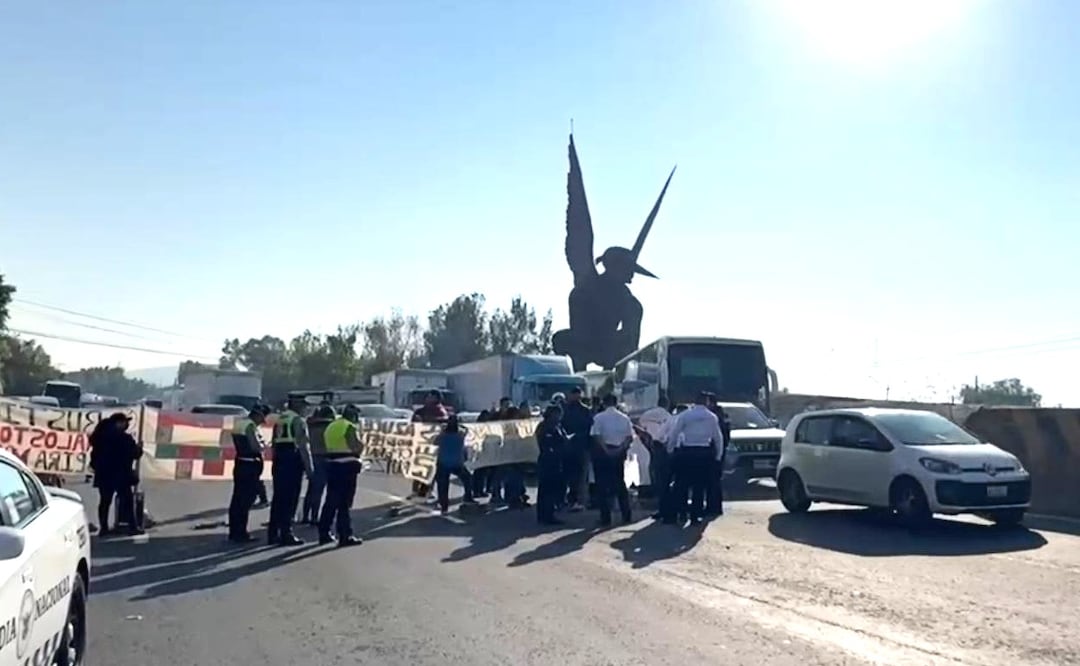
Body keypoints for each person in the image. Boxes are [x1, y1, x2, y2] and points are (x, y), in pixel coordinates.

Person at [664, 392, 724, 524]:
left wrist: (670, 449)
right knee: (699, 486)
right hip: (704, 453)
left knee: (682, 484)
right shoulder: (711, 417)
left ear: (695, 401)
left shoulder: (685, 415)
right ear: (706, 402)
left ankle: (682, 513)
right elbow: (718, 438)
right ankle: (695, 516)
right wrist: (718, 456)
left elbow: (674, 433)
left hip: (687, 452)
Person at [267, 396, 313, 546]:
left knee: (278, 498)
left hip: (280, 458)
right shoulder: (298, 421)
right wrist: (309, 468)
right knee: (291, 498)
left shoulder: (280, 419)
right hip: (292, 459)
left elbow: (274, 443)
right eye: (304, 406)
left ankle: (273, 533)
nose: (306, 409)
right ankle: (286, 533)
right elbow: (303, 446)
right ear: (298, 406)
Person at [89, 413, 144, 536]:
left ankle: (104, 528)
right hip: (121, 474)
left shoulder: (100, 437)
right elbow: (134, 454)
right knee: (127, 501)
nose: (127, 424)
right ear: (118, 423)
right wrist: (139, 448)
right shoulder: (124, 438)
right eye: (125, 422)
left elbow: (94, 456)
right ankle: (132, 527)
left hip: (104, 474)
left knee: (105, 502)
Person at [318, 403, 365, 547]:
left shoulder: (332, 426)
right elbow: (354, 446)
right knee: (344, 503)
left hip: (332, 464)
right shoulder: (348, 426)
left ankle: (324, 532)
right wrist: (362, 445)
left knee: (331, 501)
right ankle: (345, 535)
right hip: (347, 465)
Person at [589, 394, 634, 527]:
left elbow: (596, 436)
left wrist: (606, 450)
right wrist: (620, 449)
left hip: (602, 454)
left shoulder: (598, 417)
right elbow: (629, 437)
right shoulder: (624, 418)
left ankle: (605, 518)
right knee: (620, 483)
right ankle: (626, 515)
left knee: (602, 485)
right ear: (616, 402)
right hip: (619, 453)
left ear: (604, 403)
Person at [228, 405, 269, 543]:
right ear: (258, 415)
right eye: (261, 419)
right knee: (246, 500)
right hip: (250, 465)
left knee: (237, 499)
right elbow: (255, 446)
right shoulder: (250, 426)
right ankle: (241, 533)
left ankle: (234, 531)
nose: (261, 422)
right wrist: (263, 446)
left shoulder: (239, 424)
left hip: (240, 462)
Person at [410, 390, 449, 501]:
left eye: (432, 396)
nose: (429, 398)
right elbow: (413, 425)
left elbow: (444, 425)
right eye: (428, 396)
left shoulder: (441, 411)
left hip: (434, 445)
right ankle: (415, 490)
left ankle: (428, 491)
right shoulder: (420, 411)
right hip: (421, 444)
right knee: (419, 467)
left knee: (431, 469)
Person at [433, 415, 476, 515]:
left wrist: (441, 430)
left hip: (443, 462)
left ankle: (444, 506)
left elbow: (434, 442)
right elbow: (467, 430)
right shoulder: (460, 434)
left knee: (443, 485)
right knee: (467, 479)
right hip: (457, 463)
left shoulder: (442, 436)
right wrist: (461, 425)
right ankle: (468, 497)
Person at [560, 387, 594, 512]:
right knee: (575, 474)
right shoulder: (580, 410)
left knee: (576, 475)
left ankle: (574, 499)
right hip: (575, 446)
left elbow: (589, 428)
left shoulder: (576, 410)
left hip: (575, 446)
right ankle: (573, 499)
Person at [638, 397, 672, 519]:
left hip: (651, 448)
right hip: (663, 449)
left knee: (656, 478)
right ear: (667, 404)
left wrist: (647, 444)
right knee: (665, 480)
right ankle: (666, 508)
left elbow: (640, 431)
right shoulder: (668, 417)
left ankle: (661, 506)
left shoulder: (646, 415)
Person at [302, 404, 336, 524]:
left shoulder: (310, 425)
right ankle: (314, 517)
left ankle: (305, 515)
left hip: (312, 457)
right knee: (319, 490)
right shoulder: (329, 426)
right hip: (324, 457)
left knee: (311, 489)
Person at [535, 404, 568, 525]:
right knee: (547, 489)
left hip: (557, 460)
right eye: (558, 414)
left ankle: (548, 513)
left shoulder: (557, 426)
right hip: (548, 460)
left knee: (552, 488)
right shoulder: (545, 426)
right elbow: (546, 443)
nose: (560, 416)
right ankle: (546, 515)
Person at [705, 398, 731, 517]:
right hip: (719, 450)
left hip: (714, 451)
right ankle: (714, 507)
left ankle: (713, 507)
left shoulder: (714, 416)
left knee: (712, 480)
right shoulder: (722, 415)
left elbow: (721, 434)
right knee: (714, 480)